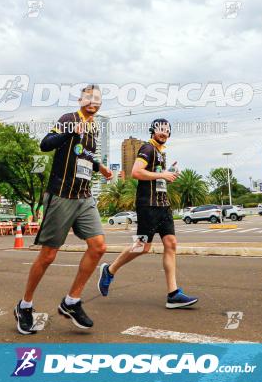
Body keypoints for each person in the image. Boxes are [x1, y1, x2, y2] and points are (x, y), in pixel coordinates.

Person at [15, 84, 113, 335]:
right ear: (80, 99)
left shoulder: (93, 127)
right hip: (61, 194)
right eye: (89, 97)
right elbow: (45, 144)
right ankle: (24, 306)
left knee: (99, 246)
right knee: (48, 255)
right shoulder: (68, 120)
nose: (94, 101)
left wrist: (99, 167)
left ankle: (71, 301)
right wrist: (70, 133)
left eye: (98, 99)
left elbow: (84, 154)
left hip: (84, 195)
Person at [97, 119, 198, 308]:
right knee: (142, 247)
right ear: (153, 131)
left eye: (167, 130)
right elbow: (136, 172)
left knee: (171, 243)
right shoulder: (147, 148)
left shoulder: (160, 154)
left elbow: (154, 178)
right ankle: (109, 270)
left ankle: (173, 294)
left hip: (163, 205)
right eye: (160, 130)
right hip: (148, 206)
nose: (164, 133)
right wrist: (162, 175)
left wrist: (168, 175)